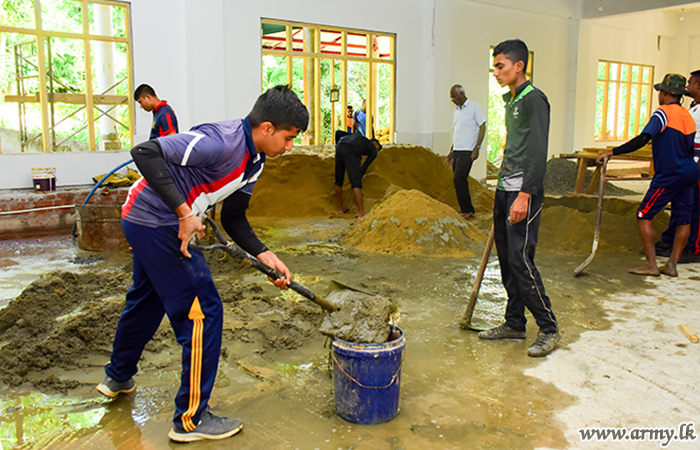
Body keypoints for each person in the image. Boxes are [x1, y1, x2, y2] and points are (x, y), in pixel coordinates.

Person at [96, 85, 309, 443]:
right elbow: (144, 152)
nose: (289, 147)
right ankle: (191, 420)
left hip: (148, 222)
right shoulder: (219, 142)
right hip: (156, 221)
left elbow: (236, 218)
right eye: (289, 138)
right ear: (268, 128)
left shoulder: (254, 161)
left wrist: (264, 254)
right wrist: (184, 213)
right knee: (204, 312)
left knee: (147, 301)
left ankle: (117, 376)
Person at [477, 39, 560, 358]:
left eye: (500, 66)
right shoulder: (512, 100)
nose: (495, 72)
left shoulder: (533, 100)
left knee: (521, 260)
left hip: (523, 191)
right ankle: (514, 323)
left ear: (519, 66)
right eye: (495, 67)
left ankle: (549, 328)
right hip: (505, 188)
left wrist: (524, 194)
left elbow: (538, 151)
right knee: (508, 261)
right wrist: (502, 191)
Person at [597, 73, 700, 277]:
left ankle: (652, 265)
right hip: (690, 172)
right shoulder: (688, 116)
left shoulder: (662, 113)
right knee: (683, 219)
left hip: (670, 173)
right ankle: (671, 266)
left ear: (666, 93)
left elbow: (643, 138)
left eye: (660, 91)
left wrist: (612, 152)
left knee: (644, 214)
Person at [655, 69, 700, 264]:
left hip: (695, 166)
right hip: (685, 164)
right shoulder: (692, 108)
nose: (687, 87)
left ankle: (694, 248)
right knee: (680, 207)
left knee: (695, 209)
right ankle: (671, 242)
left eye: (690, 83)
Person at [446, 84, 486, 219]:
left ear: (462, 95)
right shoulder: (456, 111)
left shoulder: (474, 107)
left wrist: (477, 147)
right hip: (457, 150)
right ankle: (468, 209)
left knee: (459, 178)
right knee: (458, 180)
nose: (453, 100)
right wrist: (452, 150)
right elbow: (457, 132)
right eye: (451, 98)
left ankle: (467, 209)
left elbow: (482, 126)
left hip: (468, 150)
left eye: (454, 97)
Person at [334, 133, 381, 218]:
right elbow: (365, 165)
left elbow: (338, 133)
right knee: (356, 182)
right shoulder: (374, 149)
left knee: (338, 180)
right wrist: (358, 176)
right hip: (351, 150)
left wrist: (337, 147)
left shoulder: (357, 136)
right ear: (376, 143)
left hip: (340, 146)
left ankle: (341, 208)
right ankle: (361, 212)